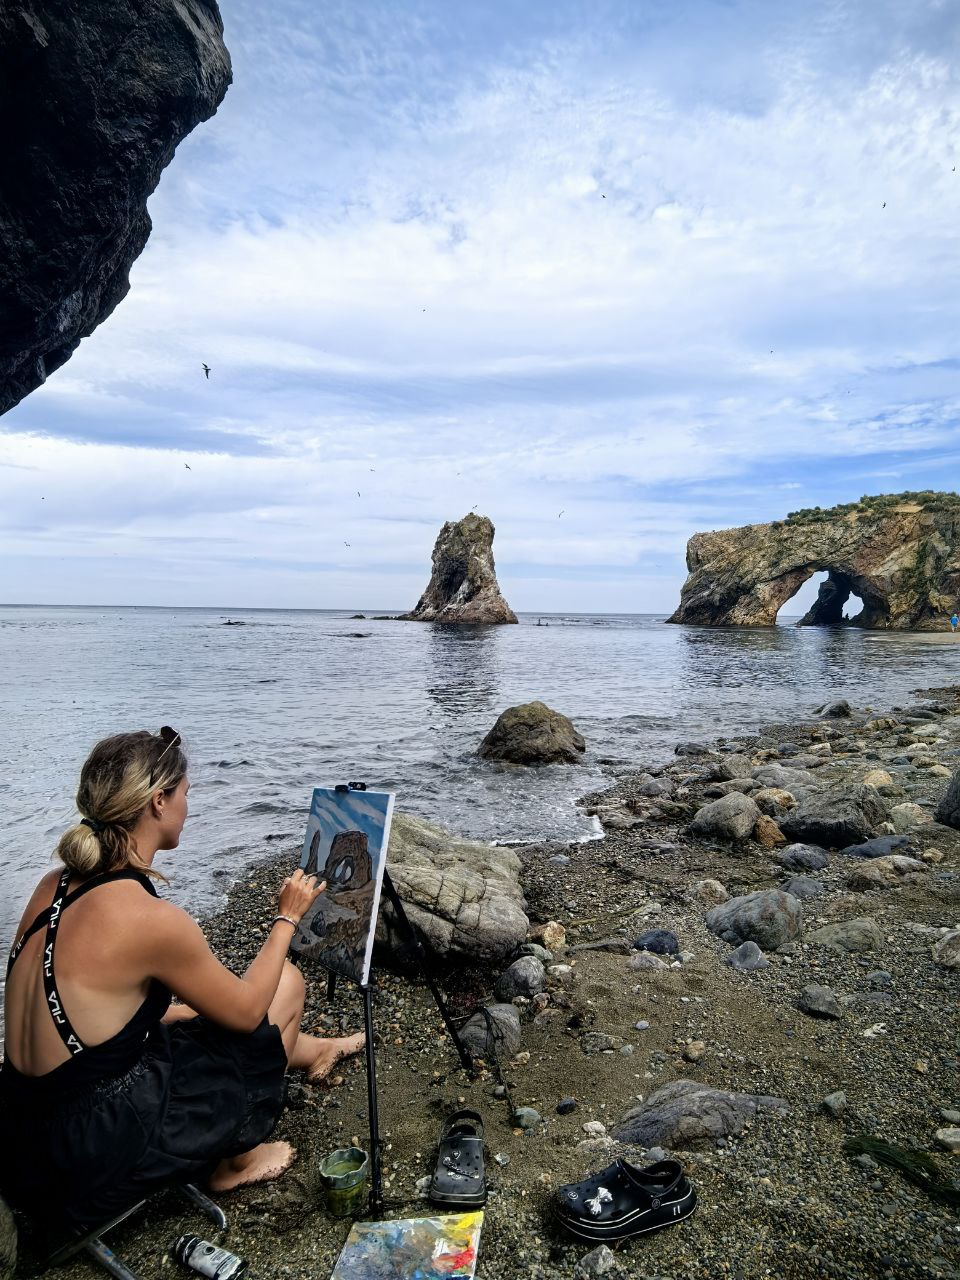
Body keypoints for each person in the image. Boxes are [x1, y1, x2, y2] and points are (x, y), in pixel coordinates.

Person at [0, 727, 364, 1231]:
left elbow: (95, 1015)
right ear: (157, 802)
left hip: (22, 1136)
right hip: (88, 1157)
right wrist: (287, 918)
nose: (189, 808)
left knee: (193, 1012)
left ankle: (317, 1048)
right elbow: (246, 1012)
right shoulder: (148, 919)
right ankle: (236, 1163)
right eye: (186, 795)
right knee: (284, 985)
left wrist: (187, 1011)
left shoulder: (51, 885)